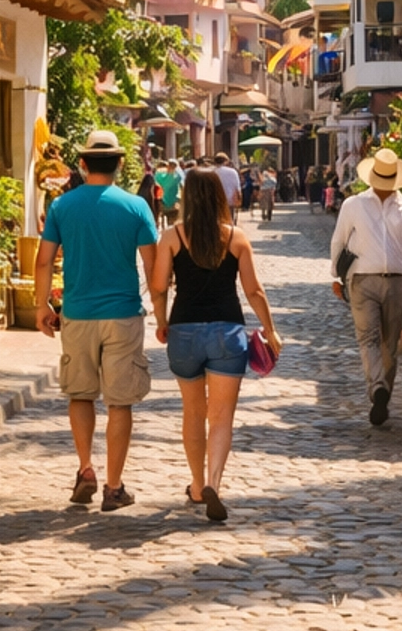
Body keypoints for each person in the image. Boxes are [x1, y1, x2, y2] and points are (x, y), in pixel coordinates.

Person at [34, 128, 158, 511]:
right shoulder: (137, 207)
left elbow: (44, 260)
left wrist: (42, 306)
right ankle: (114, 486)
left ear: (83, 164)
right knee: (120, 403)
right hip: (123, 314)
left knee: (80, 393)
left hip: (77, 314)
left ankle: (85, 468)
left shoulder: (62, 207)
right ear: (120, 165)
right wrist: (162, 312)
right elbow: (154, 268)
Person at [149, 165, 280, 523]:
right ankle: (214, 484)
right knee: (221, 418)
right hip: (227, 333)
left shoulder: (173, 237)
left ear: (189, 197)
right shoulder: (236, 238)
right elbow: (254, 290)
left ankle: (195, 484)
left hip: (185, 332)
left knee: (193, 412)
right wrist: (270, 329)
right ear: (220, 197)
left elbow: (159, 286)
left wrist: (161, 322)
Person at [330, 146, 402, 429]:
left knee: (389, 343)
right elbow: (339, 241)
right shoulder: (353, 205)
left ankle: (381, 392)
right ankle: (378, 389)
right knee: (369, 338)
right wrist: (336, 275)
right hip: (362, 281)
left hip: (397, 282)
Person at [213, 151, 242, 218]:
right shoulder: (233, 172)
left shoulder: (211, 172)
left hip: (216, 201)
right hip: (230, 201)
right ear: (226, 161)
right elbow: (237, 189)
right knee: (230, 222)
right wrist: (239, 200)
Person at [155, 157, 182, 223]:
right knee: (172, 223)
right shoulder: (177, 178)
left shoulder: (161, 177)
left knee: (164, 223)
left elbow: (156, 177)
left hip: (163, 203)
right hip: (175, 204)